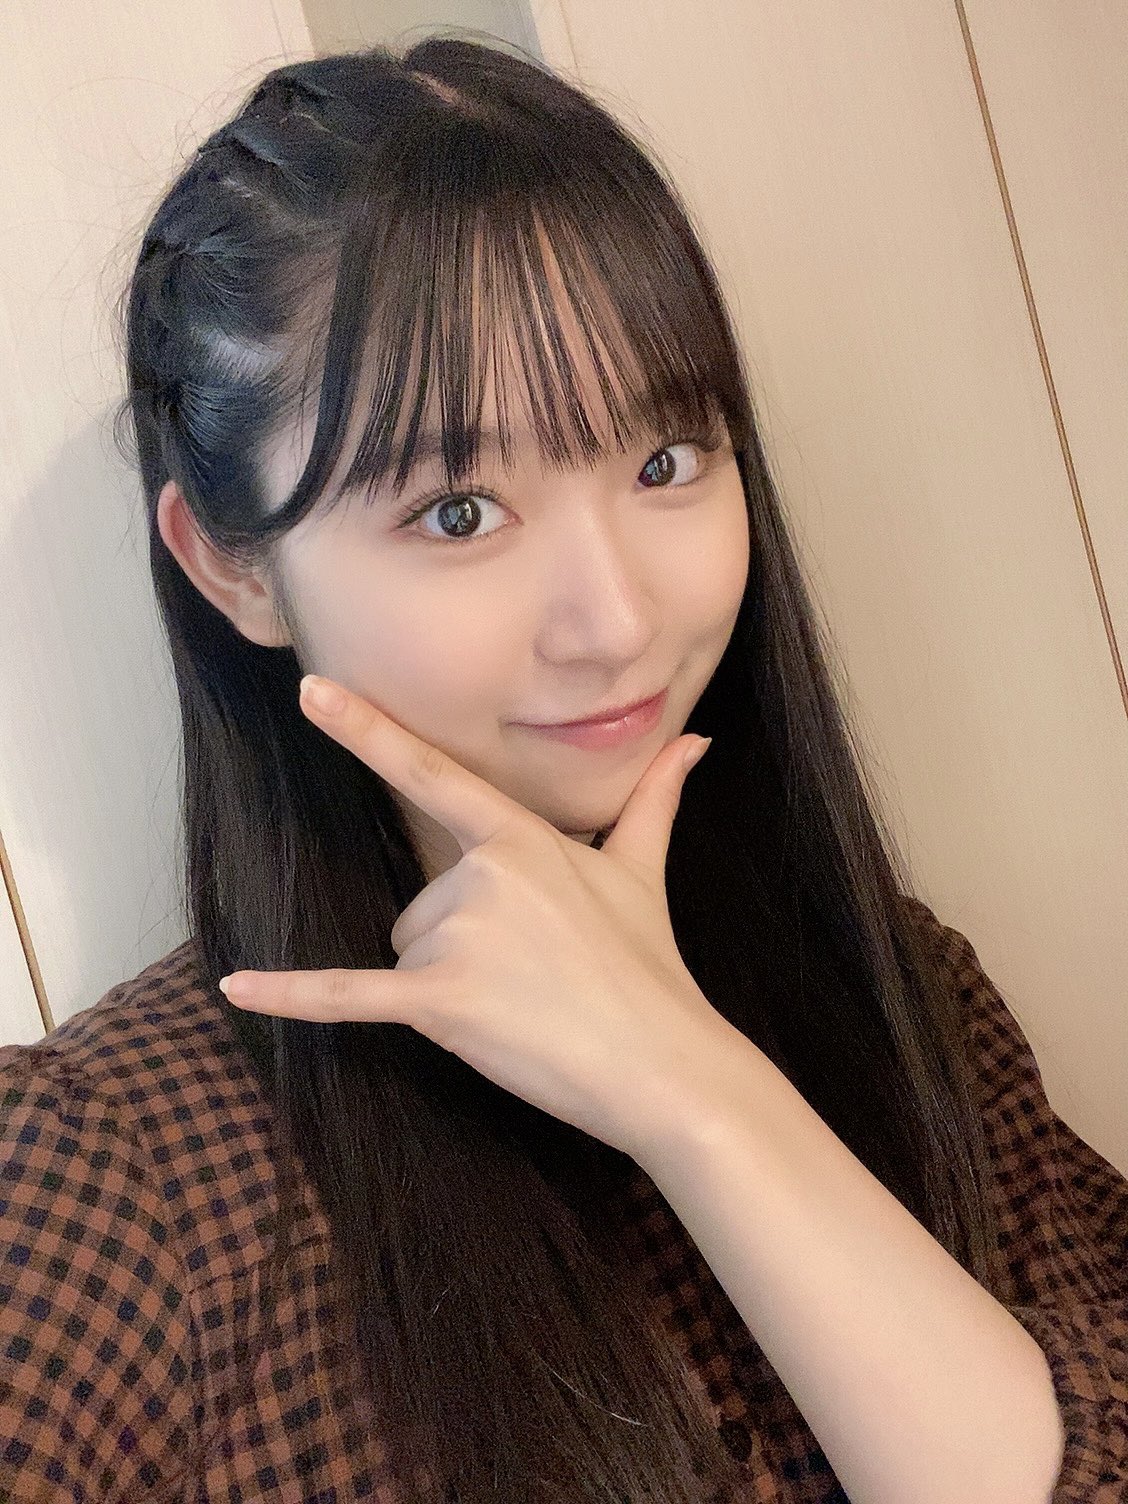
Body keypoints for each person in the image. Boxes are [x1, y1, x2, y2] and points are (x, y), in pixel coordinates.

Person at [1, 35, 1124, 1504]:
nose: (619, 623)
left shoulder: (902, 1002)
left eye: (665, 460)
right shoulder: (105, 1188)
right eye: (459, 510)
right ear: (235, 568)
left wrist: (699, 1098)